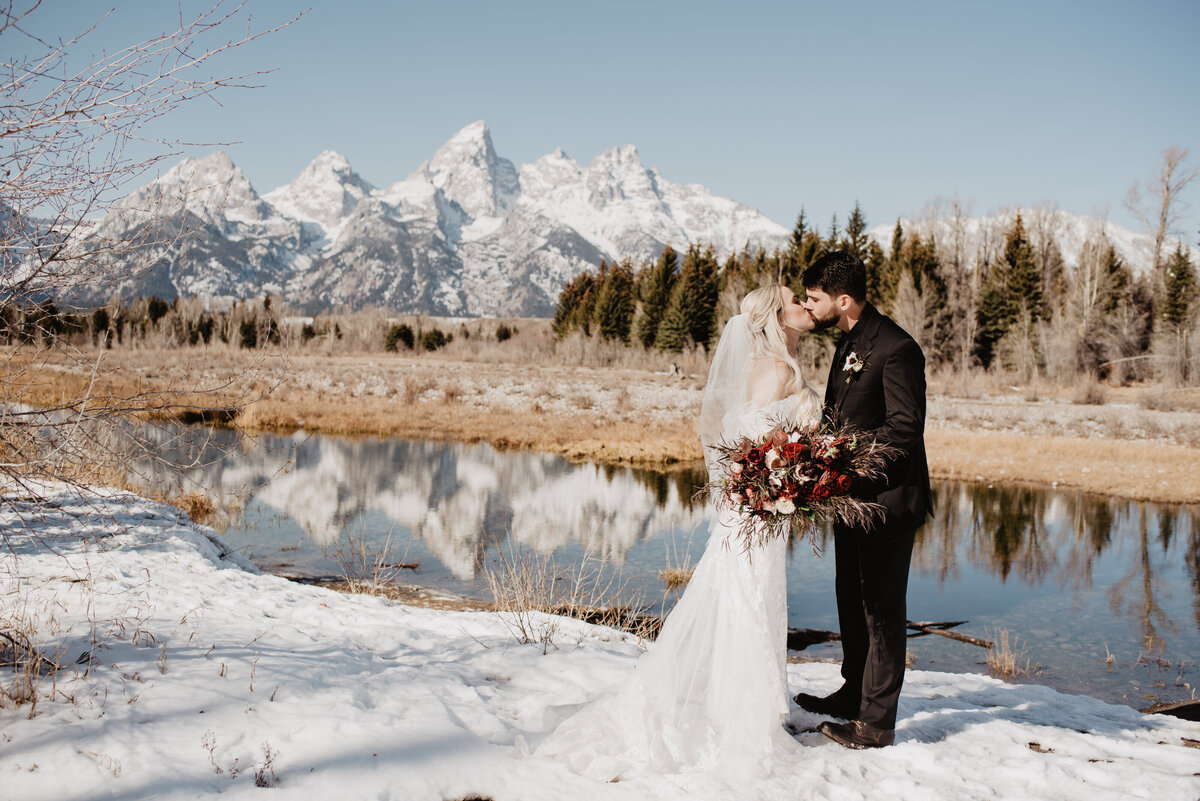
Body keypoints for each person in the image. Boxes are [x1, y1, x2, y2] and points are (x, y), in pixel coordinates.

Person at [534, 284, 822, 780]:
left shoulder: (775, 364)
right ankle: (743, 716)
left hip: (756, 509)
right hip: (755, 509)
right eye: (795, 301)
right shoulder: (776, 369)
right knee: (746, 601)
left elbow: (743, 430)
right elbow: (750, 431)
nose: (804, 306)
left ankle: (750, 701)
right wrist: (781, 466)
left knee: (749, 598)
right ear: (778, 317)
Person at [794, 250, 932, 749]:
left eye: (814, 298)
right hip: (851, 498)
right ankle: (853, 694)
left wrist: (843, 458)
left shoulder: (897, 348)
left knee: (882, 610)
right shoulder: (851, 340)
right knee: (850, 601)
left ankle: (876, 723)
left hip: (888, 501)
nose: (809, 306)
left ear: (843, 299)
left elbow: (904, 430)